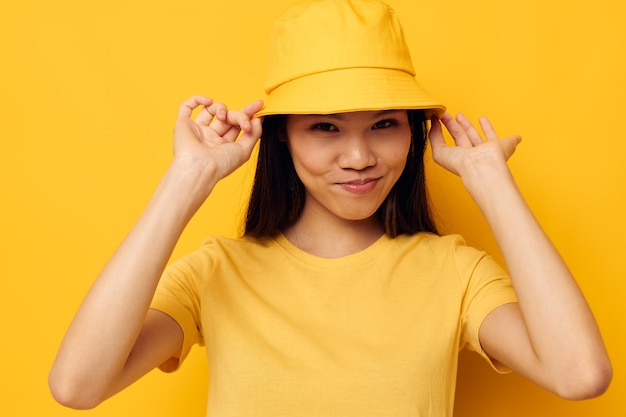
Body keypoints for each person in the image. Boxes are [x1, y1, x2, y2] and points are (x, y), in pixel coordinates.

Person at [49, 0, 612, 415]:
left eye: (385, 124)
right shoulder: (216, 273)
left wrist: (491, 181)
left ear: (413, 134)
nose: (361, 156)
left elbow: (580, 374)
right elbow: (78, 387)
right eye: (325, 127)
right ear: (282, 138)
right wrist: (187, 178)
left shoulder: (453, 272)